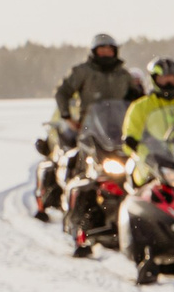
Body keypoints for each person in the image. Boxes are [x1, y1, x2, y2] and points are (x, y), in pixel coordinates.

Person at [41, 33, 141, 216]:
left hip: (120, 129)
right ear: (95, 51)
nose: (106, 53)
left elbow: (137, 99)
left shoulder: (123, 74)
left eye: (109, 49)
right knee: (82, 166)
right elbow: (62, 92)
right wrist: (67, 116)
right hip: (90, 127)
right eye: (102, 49)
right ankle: (75, 210)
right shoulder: (83, 71)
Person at [118, 57, 174, 282]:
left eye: (173, 78)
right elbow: (130, 137)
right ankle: (144, 249)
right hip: (151, 164)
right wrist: (141, 149)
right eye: (164, 78)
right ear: (155, 80)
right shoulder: (141, 107)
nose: (169, 82)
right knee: (145, 202)